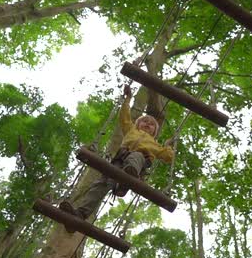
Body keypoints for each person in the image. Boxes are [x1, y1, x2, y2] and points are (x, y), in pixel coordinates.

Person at [59, 85, 174, 227]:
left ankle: (128, 177)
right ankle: (80, 213)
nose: (147, 124)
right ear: (137, 124)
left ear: (154, 132)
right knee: (101, 183)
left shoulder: (155, 144)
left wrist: (168, 145)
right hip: (119, 160)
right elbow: (124, 118)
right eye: (144, 121)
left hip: (139, 162)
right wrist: (128, 99)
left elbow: (168, 157)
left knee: (137, 156)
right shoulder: (131, 130)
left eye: (151, 125)